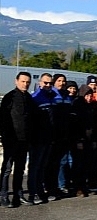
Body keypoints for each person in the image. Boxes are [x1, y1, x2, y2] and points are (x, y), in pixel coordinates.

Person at [0, 72, 36, 208]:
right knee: (7, 169)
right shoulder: (9, 97)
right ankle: (3, 195)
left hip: (24, 140)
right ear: (16, 81)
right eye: (23, 81)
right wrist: (5, 137)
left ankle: (18, 195)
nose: (25, 84)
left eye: (27, 82)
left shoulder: (29, 98)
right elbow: (3, 119)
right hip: (11, 139)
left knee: (20, 169)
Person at [28, 73, 57, 204]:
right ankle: (32, 193)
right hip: (37, 139)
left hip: (49, 138)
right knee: (35, 167)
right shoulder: (35, 98)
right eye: (45, 83)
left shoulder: (52, 97)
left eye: (50, 83)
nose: (48, 85)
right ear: (40, 83)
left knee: (42, 167)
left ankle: (40, 191)